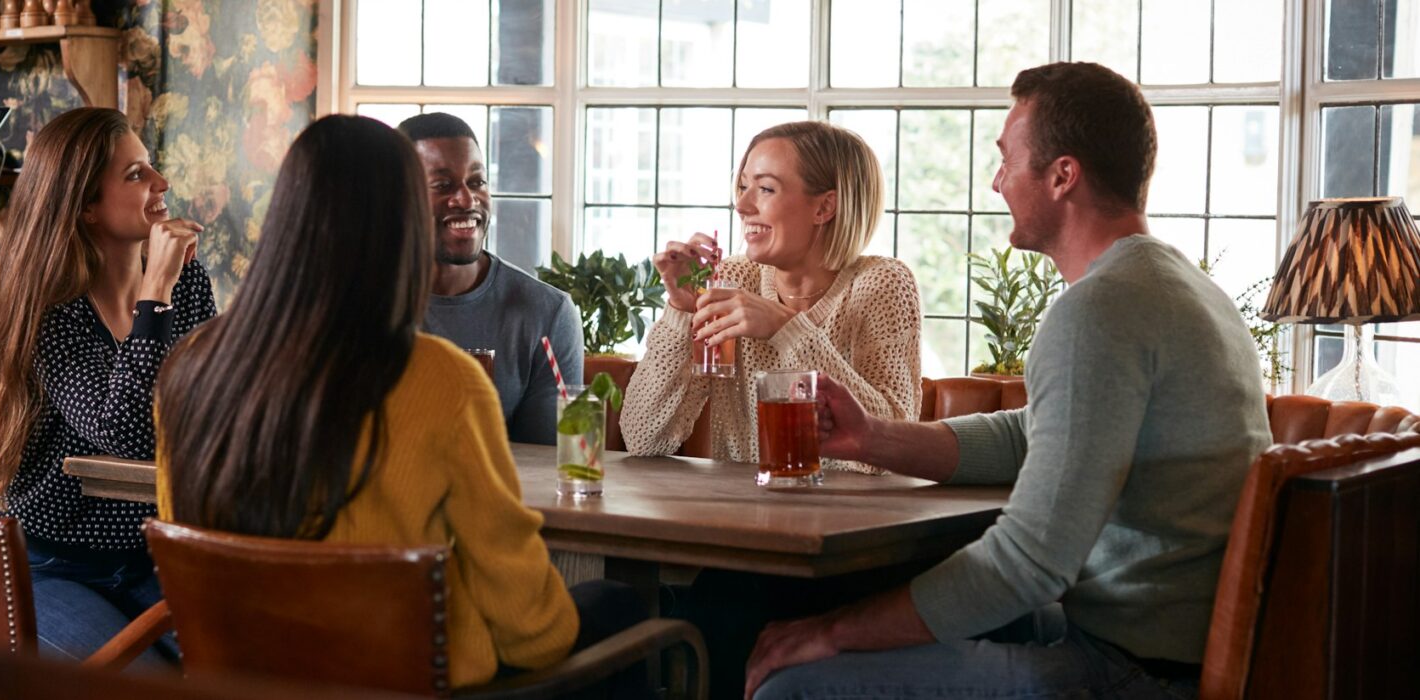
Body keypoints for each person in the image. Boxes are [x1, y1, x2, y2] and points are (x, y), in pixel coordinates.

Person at [743, 62, 1272, 700]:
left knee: (792, 684)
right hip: (1151, 644)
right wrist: (874, 438)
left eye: (1006, 159)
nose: (996, 182)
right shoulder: (1177, 286)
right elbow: (1033, 435)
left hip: (1129, 674)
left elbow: (1027, 565)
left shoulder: (1099, 310)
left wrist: (828, 633)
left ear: (1061, 176)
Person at [154, 115, 645, 692]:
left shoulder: (188, 368)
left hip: (246, 682)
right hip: (408, 683)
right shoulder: (444, 382)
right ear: (402, 227)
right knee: (618, 607)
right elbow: (532, 631)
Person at [0, 107, 216, 665]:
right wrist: (154, 298)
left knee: (242, 670)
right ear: (84, 207)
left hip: (160, 554)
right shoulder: (52, 313)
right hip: (57, 563)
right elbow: (125, 431)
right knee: (144, 685)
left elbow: (210, 404)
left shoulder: (190, 283)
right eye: (135, 175)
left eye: (152, 167)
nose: (162, 183)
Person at [621, 120, 921, 470]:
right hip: (743, 517)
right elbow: (643, 438)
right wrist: (681, 311)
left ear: (824, 208)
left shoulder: (881, 283)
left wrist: (786, 328)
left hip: (850, 519)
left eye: (765, 189)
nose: (742, 205)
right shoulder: (732, 281)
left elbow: (894, 447)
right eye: (743, 186)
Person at [396, 112, 582, 446]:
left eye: (477, 182)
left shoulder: (548, 314)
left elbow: (545, 464)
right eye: (442, 185)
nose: (466, 200)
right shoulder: (359, 304)